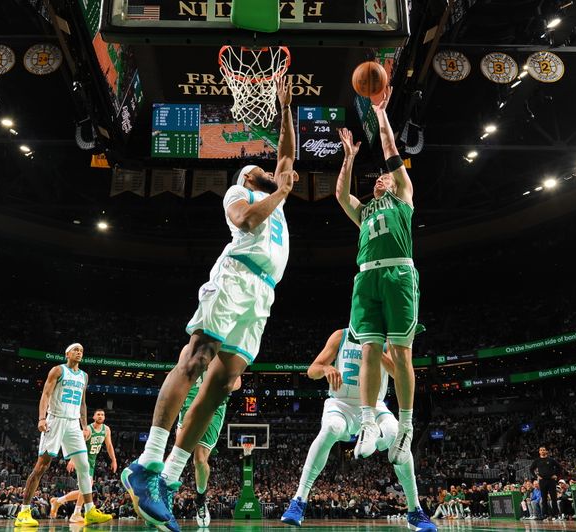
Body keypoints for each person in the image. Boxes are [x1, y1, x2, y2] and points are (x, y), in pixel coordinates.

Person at [120, 76, 297, 532]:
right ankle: (146, 465)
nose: (268, 170)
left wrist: (286, 108)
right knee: (197, 359)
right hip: (235, 276)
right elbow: (247, 219)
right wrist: (277, 192)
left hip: (263, 296)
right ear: (247, 175)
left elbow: (287, 158)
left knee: (221, 385)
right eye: (260, 170)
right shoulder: (240, 193)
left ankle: (169, 484)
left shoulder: (276, 193)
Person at [335, 88, 429, 530]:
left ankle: (405, 428)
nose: (380, 179)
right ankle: (370, 421)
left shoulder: (404, 198)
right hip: (366, 276)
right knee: (370, 350)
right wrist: (349, 155)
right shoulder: (365, 208)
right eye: (376, 178)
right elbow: (340, 195)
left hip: (398, 275)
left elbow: (391, 151)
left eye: (384, 177)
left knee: (402, 353)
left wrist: (380, 114)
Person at [280, 329, 436, 531]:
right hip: (340, 403)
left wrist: (374, 348)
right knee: (331, 428)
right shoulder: (340, 336)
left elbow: (400, 374)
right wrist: (326, 369)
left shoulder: (386, 341)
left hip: (374, 405)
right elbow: (312, 370)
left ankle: (414, 511)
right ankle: (299, 500)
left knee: (398, 435)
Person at [14, 343, 112, 527]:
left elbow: (83, 403)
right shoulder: (58, 370)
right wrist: (42, 418)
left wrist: (85, 426)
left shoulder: (84, 376)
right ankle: (23, 512)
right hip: (55, 419)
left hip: (73, 423)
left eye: (82, 351)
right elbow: (45, 394)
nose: (79, 353)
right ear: (67, 353)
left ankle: (89, 511)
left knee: (84, 465)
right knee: (42, 466)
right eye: (76, 350)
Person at [173, 345, 241, 528]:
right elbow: (179, 375)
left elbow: (237, 382)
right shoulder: (189, 348)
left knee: (200, 460)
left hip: (214, 405)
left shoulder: (228, 352)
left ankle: (201, 500)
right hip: (190, 401)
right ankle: (162, 499)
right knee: (179, 450)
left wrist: (219, 386)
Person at [50, 408, 117, 523]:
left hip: (92, 461)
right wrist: (72, 459)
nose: (100, 416)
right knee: (87, 487)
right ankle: (75, 512)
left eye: (102, 415)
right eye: (98, 414)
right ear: (94, 417)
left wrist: (114, 460)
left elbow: (109, 445)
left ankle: (59, 502)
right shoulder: (88, 430)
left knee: (84, 489)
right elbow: (77, 444)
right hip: (82, 459)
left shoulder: (106, 430)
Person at [529, 446, 560, 520]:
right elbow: (531, 469)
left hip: (551, 480)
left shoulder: (551, 460)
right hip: (542, 481)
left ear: (546, 451)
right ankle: (545, 514)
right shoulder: (537, 460)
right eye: (541, 450)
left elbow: (559, 467)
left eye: (544, 450)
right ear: (539, 452)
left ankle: (556, 514)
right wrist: (536, 476)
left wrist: (555, 475)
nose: (542, 451)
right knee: (544, 498)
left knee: (553, 498)